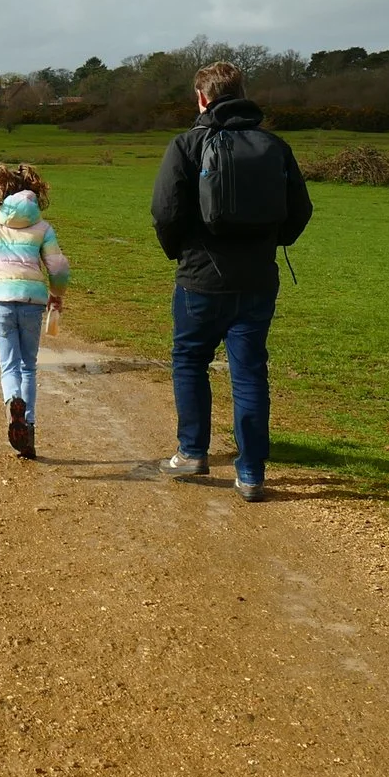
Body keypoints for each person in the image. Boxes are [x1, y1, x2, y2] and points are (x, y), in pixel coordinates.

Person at [149, 62, 312, 502]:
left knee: (189, 361)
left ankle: (191, 452)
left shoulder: (186, 144)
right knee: (249, 372)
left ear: (202, 97)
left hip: (199, 278)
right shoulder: (274, 145)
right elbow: (300, 210)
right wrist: (271, 242)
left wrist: (179, 252)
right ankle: (252, 473)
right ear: (241, 93)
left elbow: (165, 211)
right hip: (258, 279)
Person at [0, 163, 70, 460]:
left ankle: (13, 403)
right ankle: (28, 430)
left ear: (2, 191)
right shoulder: (43, 227)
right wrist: (56, 294)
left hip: (0, 299)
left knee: (9, 366)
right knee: (28, 366)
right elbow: (58, 267)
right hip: (32, 301)